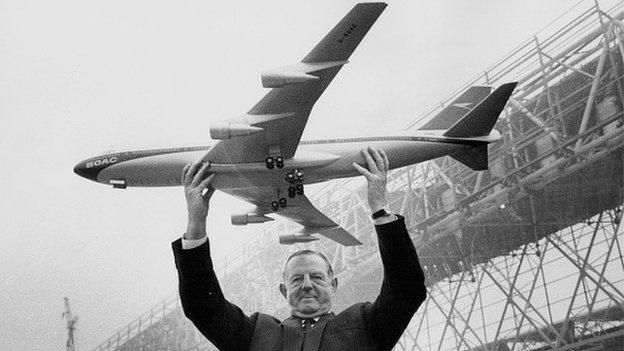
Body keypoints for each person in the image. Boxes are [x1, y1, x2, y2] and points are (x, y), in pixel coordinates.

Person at [172, 147, 427, 351]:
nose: (307, 285)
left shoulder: (363, 325)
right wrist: (196, 224)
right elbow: (202, 307)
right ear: (284, 290)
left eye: (317, 277)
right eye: (296, 279)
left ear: (334, 285)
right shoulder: (255, 333)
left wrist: (380, 208)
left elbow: (407, 291)